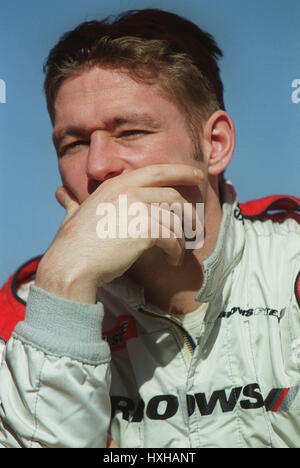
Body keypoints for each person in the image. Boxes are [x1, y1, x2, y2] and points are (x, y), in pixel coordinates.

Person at [0, 8, 300, 449]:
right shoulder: (19, 321)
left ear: (214, 145)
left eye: (131, 132)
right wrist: (64, 286)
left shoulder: (290, 271)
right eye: (75, 143)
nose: (99, 166)